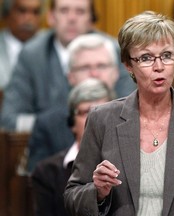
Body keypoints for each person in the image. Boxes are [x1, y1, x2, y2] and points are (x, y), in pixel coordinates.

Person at [64, 11, 174, 215]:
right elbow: (72, 196)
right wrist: (98, 192)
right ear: (129, 65)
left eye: (166, 55)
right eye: (146, 58)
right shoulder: (102, 119)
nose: (159, 67)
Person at [0, 0, 135, 132]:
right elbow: (9, 119)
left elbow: (129, 113)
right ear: (51, 17)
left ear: (91, 19)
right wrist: (53, 126)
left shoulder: (111, 51)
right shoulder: (32, 55)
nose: (71, 18)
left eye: (80, 11)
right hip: (49, 147)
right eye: (64, 10)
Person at [27, 33, 120, 172]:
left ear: (116, 73)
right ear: (70, 77)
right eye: (85, 67)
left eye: (101, 66)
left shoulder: (135, 116)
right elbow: (37, 181)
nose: (94, 74)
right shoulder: (47, 125)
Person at [31, 78, 113, 216]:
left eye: (101, 111)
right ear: (71, 122)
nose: (94, 119)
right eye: (87, 112)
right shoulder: (47, 172)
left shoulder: (127, 161)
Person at [0, 0, 42, 89]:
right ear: (6, 14)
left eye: (35, 12)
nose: (29, 19)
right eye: (22, 11)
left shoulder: (50, 46)